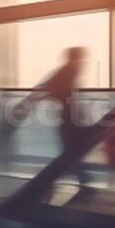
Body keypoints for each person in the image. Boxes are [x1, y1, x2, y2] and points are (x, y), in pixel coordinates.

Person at [22, 47, 92, 201]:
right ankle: (79, 180)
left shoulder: (67, 71)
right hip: (71, 121)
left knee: (72, 152)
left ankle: (78, 179)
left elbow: (47, 87)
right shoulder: (70, 71)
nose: (84, 62)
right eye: (82, 57)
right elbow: (54, 89)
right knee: (73, 152)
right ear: (76, 57)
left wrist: (33, 100)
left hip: (68, 119)